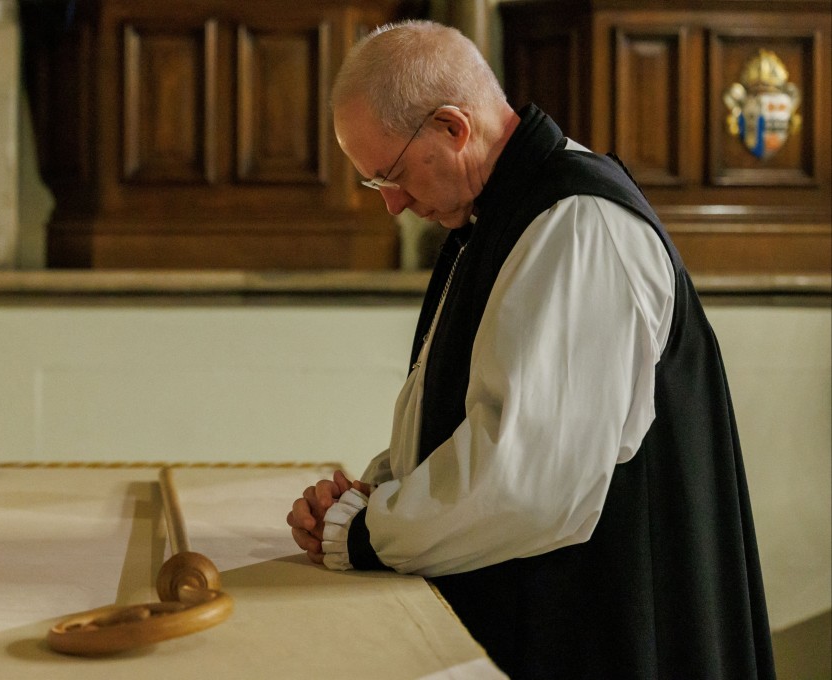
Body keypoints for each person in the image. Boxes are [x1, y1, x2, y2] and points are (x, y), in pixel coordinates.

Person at [286, 20, 776, 679]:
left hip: (608, 634)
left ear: (454, 128)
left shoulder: (578, 226)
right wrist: (376, 489)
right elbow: (462, 410)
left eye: (392, 176)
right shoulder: (504, 215)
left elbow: (528, 484)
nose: (393, 205)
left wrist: (367, 531)